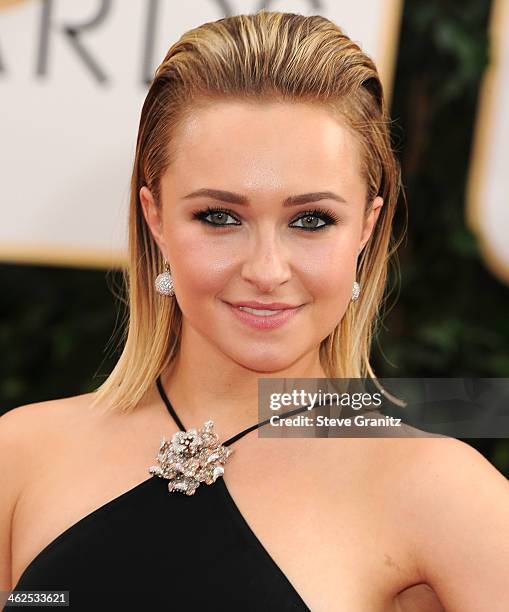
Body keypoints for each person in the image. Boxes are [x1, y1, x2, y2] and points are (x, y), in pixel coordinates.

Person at [1, 9, 508, 611]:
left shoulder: (438, 492)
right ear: (155, 215)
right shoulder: (22, 454)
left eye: (312, 220)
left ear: (367, 227)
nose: (267, 270)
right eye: (219, 217)